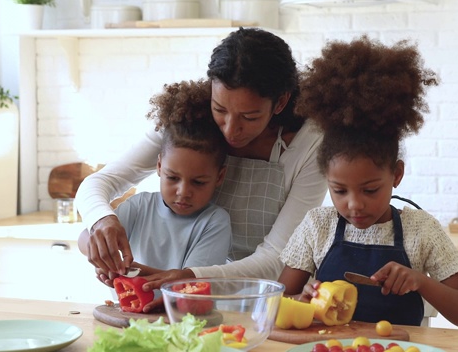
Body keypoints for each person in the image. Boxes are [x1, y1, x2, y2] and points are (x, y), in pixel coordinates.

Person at [74, 28, 328, 310]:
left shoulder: (310, 144)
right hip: (188, 298)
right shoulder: (190, 121)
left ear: (280, 102)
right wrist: (102, 220)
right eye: (220, 109)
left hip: (265, 301)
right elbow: (99, 183)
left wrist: (190, 278)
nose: (231, 130)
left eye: (249, 116)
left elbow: (278, 258)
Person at [277, 36, 458, 330]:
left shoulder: (421, 231)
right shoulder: (317, 227)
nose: (354, 204)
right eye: (339, 190)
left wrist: (421, 282)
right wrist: (300, 299)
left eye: (370, 189)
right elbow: (272, 306)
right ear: (327, 179)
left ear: (396, 175)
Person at [78, 80, 231, 276]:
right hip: (125, 308)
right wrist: (102, 253)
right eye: (173, 177)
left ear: (220, 177)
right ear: (159, 166)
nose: (183, 192)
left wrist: (128, 272)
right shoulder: (139, 206)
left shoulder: (214, 222)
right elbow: (84, 237)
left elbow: (189, 284)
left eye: (198, 182)